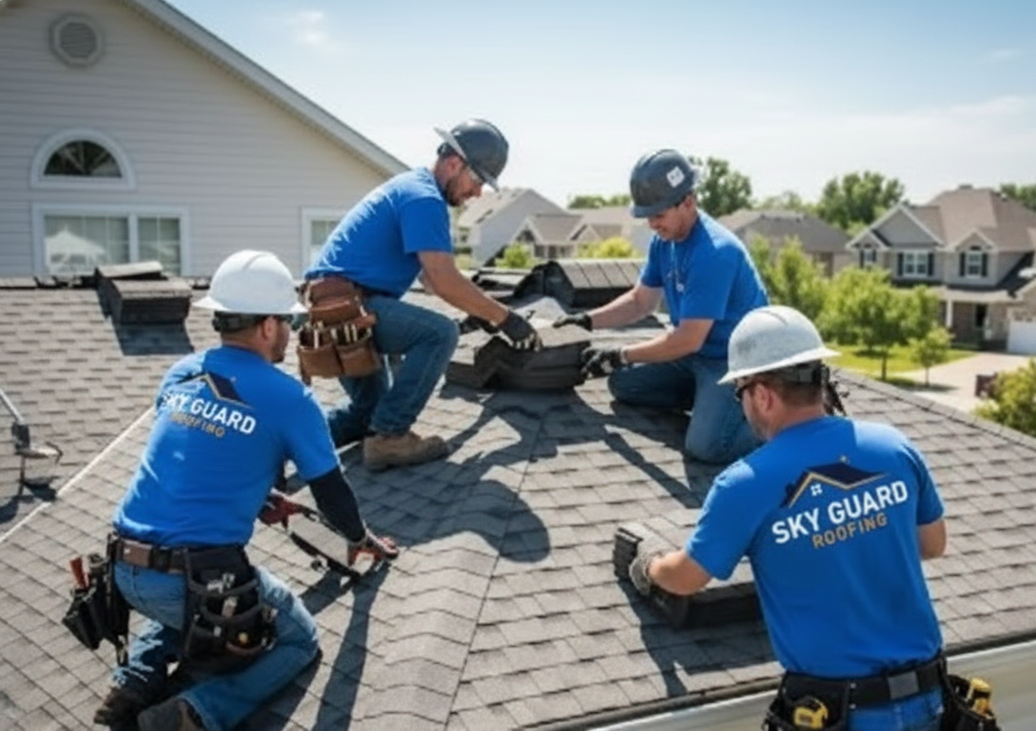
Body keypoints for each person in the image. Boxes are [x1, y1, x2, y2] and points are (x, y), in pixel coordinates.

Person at [94, 250, 399, 731]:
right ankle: (194, 713)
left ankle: (131, 684)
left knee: (189, 605)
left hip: (123, 569)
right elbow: (332, 492)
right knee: (298, 637)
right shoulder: (290, 398)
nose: (291, 333)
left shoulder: (182, 373)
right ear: (266, 326)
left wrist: (259, 500)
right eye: (287, 322)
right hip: (184, 579)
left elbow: (193, 460)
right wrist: (359, 538)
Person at [628, 305, 949, 731]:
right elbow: (932, 544)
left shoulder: (746, 484)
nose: (742, 405)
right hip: (931, 701)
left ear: (763, 395)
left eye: (738, 392)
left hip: (847, 715)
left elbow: (686, 578)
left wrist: (647, 564)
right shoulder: (894, 448)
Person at [305, 118, 540, 471]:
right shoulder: (424, 199)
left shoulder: (413, 188)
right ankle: (389, 438)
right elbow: (443, 279)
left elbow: (432, 282)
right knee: (439, 333)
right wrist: (506, 318)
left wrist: (478, 309)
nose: (477, 193)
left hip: (334, 311)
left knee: (366, 413)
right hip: (349, 307)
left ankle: (279, 446)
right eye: (477, 181)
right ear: (453, 163)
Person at [554, 148, 767, 463]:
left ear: (689, 202)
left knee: (707, 447)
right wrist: (585, 320)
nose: (652, 223)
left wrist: (621, 354)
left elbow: (687, 338)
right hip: (695, 357)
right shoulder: (664, 241)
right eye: (646, 215)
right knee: (624, 385)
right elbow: (641, 301)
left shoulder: (714, 252)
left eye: (658, 214)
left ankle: (787, 426)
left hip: (735, 363)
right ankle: (710, 402)